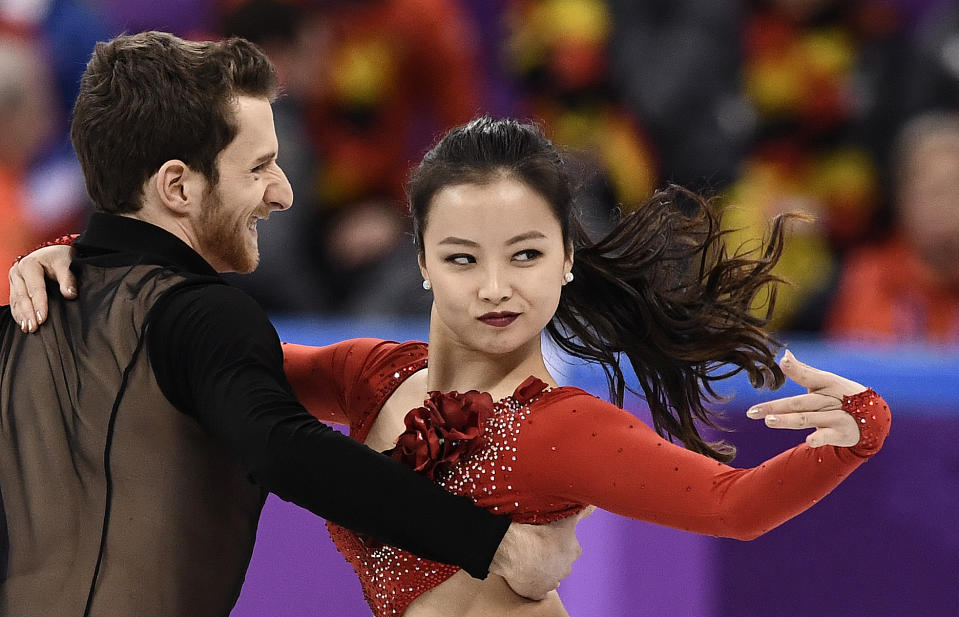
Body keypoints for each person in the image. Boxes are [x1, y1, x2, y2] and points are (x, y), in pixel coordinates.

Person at [12, 117, 891, 616]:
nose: (496, 287)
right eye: (464, 258)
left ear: (565, 261)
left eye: (525, 255)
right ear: (424, 260)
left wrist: (857, 434)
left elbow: (728, 506)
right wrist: (81, 268)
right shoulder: (370, 376)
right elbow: (185, 341)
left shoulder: (562, 428)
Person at [0, 34, 584, 617]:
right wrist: (493, 542)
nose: (282, 193)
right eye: (259, 168)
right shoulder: (201, 313)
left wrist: (81, 249)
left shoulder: (25, 319)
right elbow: (287, 450)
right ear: (177, 187)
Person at [825, 111, 959, 342]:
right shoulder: (867, 279)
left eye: (951, 189)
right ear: (901, 197)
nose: (941, 204)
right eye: (929, 190)